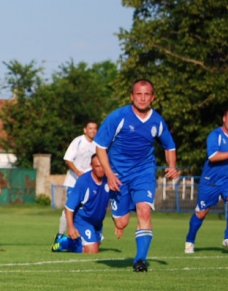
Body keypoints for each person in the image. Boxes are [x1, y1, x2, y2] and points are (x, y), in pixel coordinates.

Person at [94, 79, 179, 272]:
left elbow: (169, 146)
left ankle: (140, 260)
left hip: (144, 172)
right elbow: (100, 147)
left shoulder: (157, 120)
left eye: (146, 94)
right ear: (132, 96)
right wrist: (109, 174)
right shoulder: (118, 117)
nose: (142, 98)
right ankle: (121, 218)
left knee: (144, 210)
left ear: (152, 97)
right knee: (121, 221)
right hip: (118, 175)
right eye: (138, 94)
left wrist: (172, 166)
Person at [185, 108, 228, 253]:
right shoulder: (215, 135)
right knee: (201, 213)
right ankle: (190, 240)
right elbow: (213, 157)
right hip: (211, 180)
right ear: (224, 118)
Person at [52, 155, 109, 253]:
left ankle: (74, 242)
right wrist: (70, 227)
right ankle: (63, 242)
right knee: (92, 250)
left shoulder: (109, 179)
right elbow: (69, 208)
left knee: (96, 246)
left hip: (97, 221)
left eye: (102, 166)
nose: (100, 169)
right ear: (91, 166)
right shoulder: (83, 182)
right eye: (97, 166)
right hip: (83, 219)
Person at [56, 121, 98, 238]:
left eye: (95, 128)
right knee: (70, 209)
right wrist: (78, 172)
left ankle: (86, 236)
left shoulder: (97, 144)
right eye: (90, 128)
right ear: (85, 130)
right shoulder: (78, 141)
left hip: (89, 184)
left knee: (88, 210)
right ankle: (59, 236)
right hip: (73, 183)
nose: (93, 131)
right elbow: (68, 159)